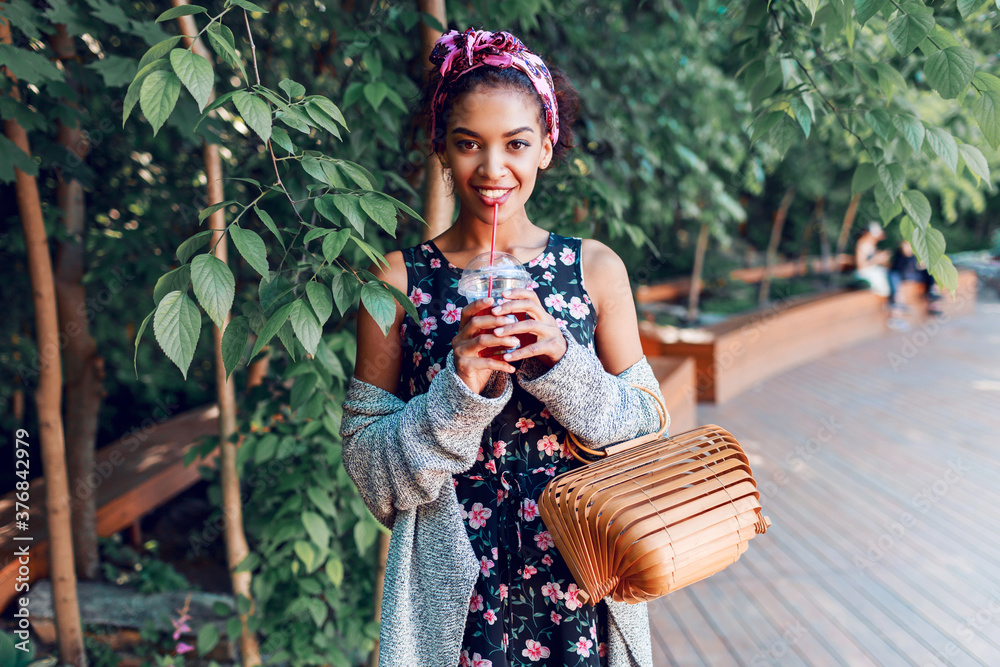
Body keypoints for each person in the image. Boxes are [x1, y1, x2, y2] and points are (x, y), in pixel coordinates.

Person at [340, 28, 664, 667]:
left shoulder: (595, 269)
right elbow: (372, 473)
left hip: (585, 587)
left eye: (516, 144)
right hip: (457, 606)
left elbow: (647, 430)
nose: (493, 169)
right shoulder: (398, 280)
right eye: (468, 145)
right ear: (441, 150)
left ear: (546, 147)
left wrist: (561, 366)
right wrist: (457, 392)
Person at [854, 222, 892, 297]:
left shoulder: (871, 245)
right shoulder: (861, 244)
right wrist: (876, 259)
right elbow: (861, 266)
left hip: (874, 271)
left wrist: (882, 259)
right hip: (865, 273)